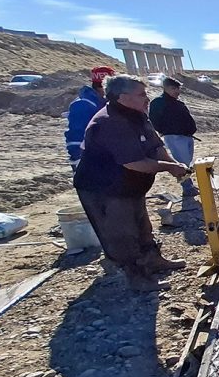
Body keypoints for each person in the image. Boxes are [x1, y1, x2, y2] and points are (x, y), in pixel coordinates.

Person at [73, 75, 189, 288]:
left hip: (129, 187)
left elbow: (156, 146)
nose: (147, 98)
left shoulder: (138, 115)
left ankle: (153, 260)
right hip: (105, 190)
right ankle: (136, 277)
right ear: (123, 97)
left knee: (142, 225)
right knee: (122, 233)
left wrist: (174, 163)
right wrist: (170, 168)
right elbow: (134, 163)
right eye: (142, 94)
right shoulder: (109, 122)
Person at [148, 77, 199, 197]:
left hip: (186, 136)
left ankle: (189, 184)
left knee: (187, 161)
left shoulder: (178, 103)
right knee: (181, 162)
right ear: (165, 88)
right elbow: (154, 120)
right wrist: (164, 131)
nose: (177, 91)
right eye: (173, 88)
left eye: (178, 88)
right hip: (174, 136)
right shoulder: (158, 102)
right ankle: (187, 188)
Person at [65, 66, 115, 172]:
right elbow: (75, 137)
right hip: (89, 161)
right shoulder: (83, 104)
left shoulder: (105, 102)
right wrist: (79, 160)